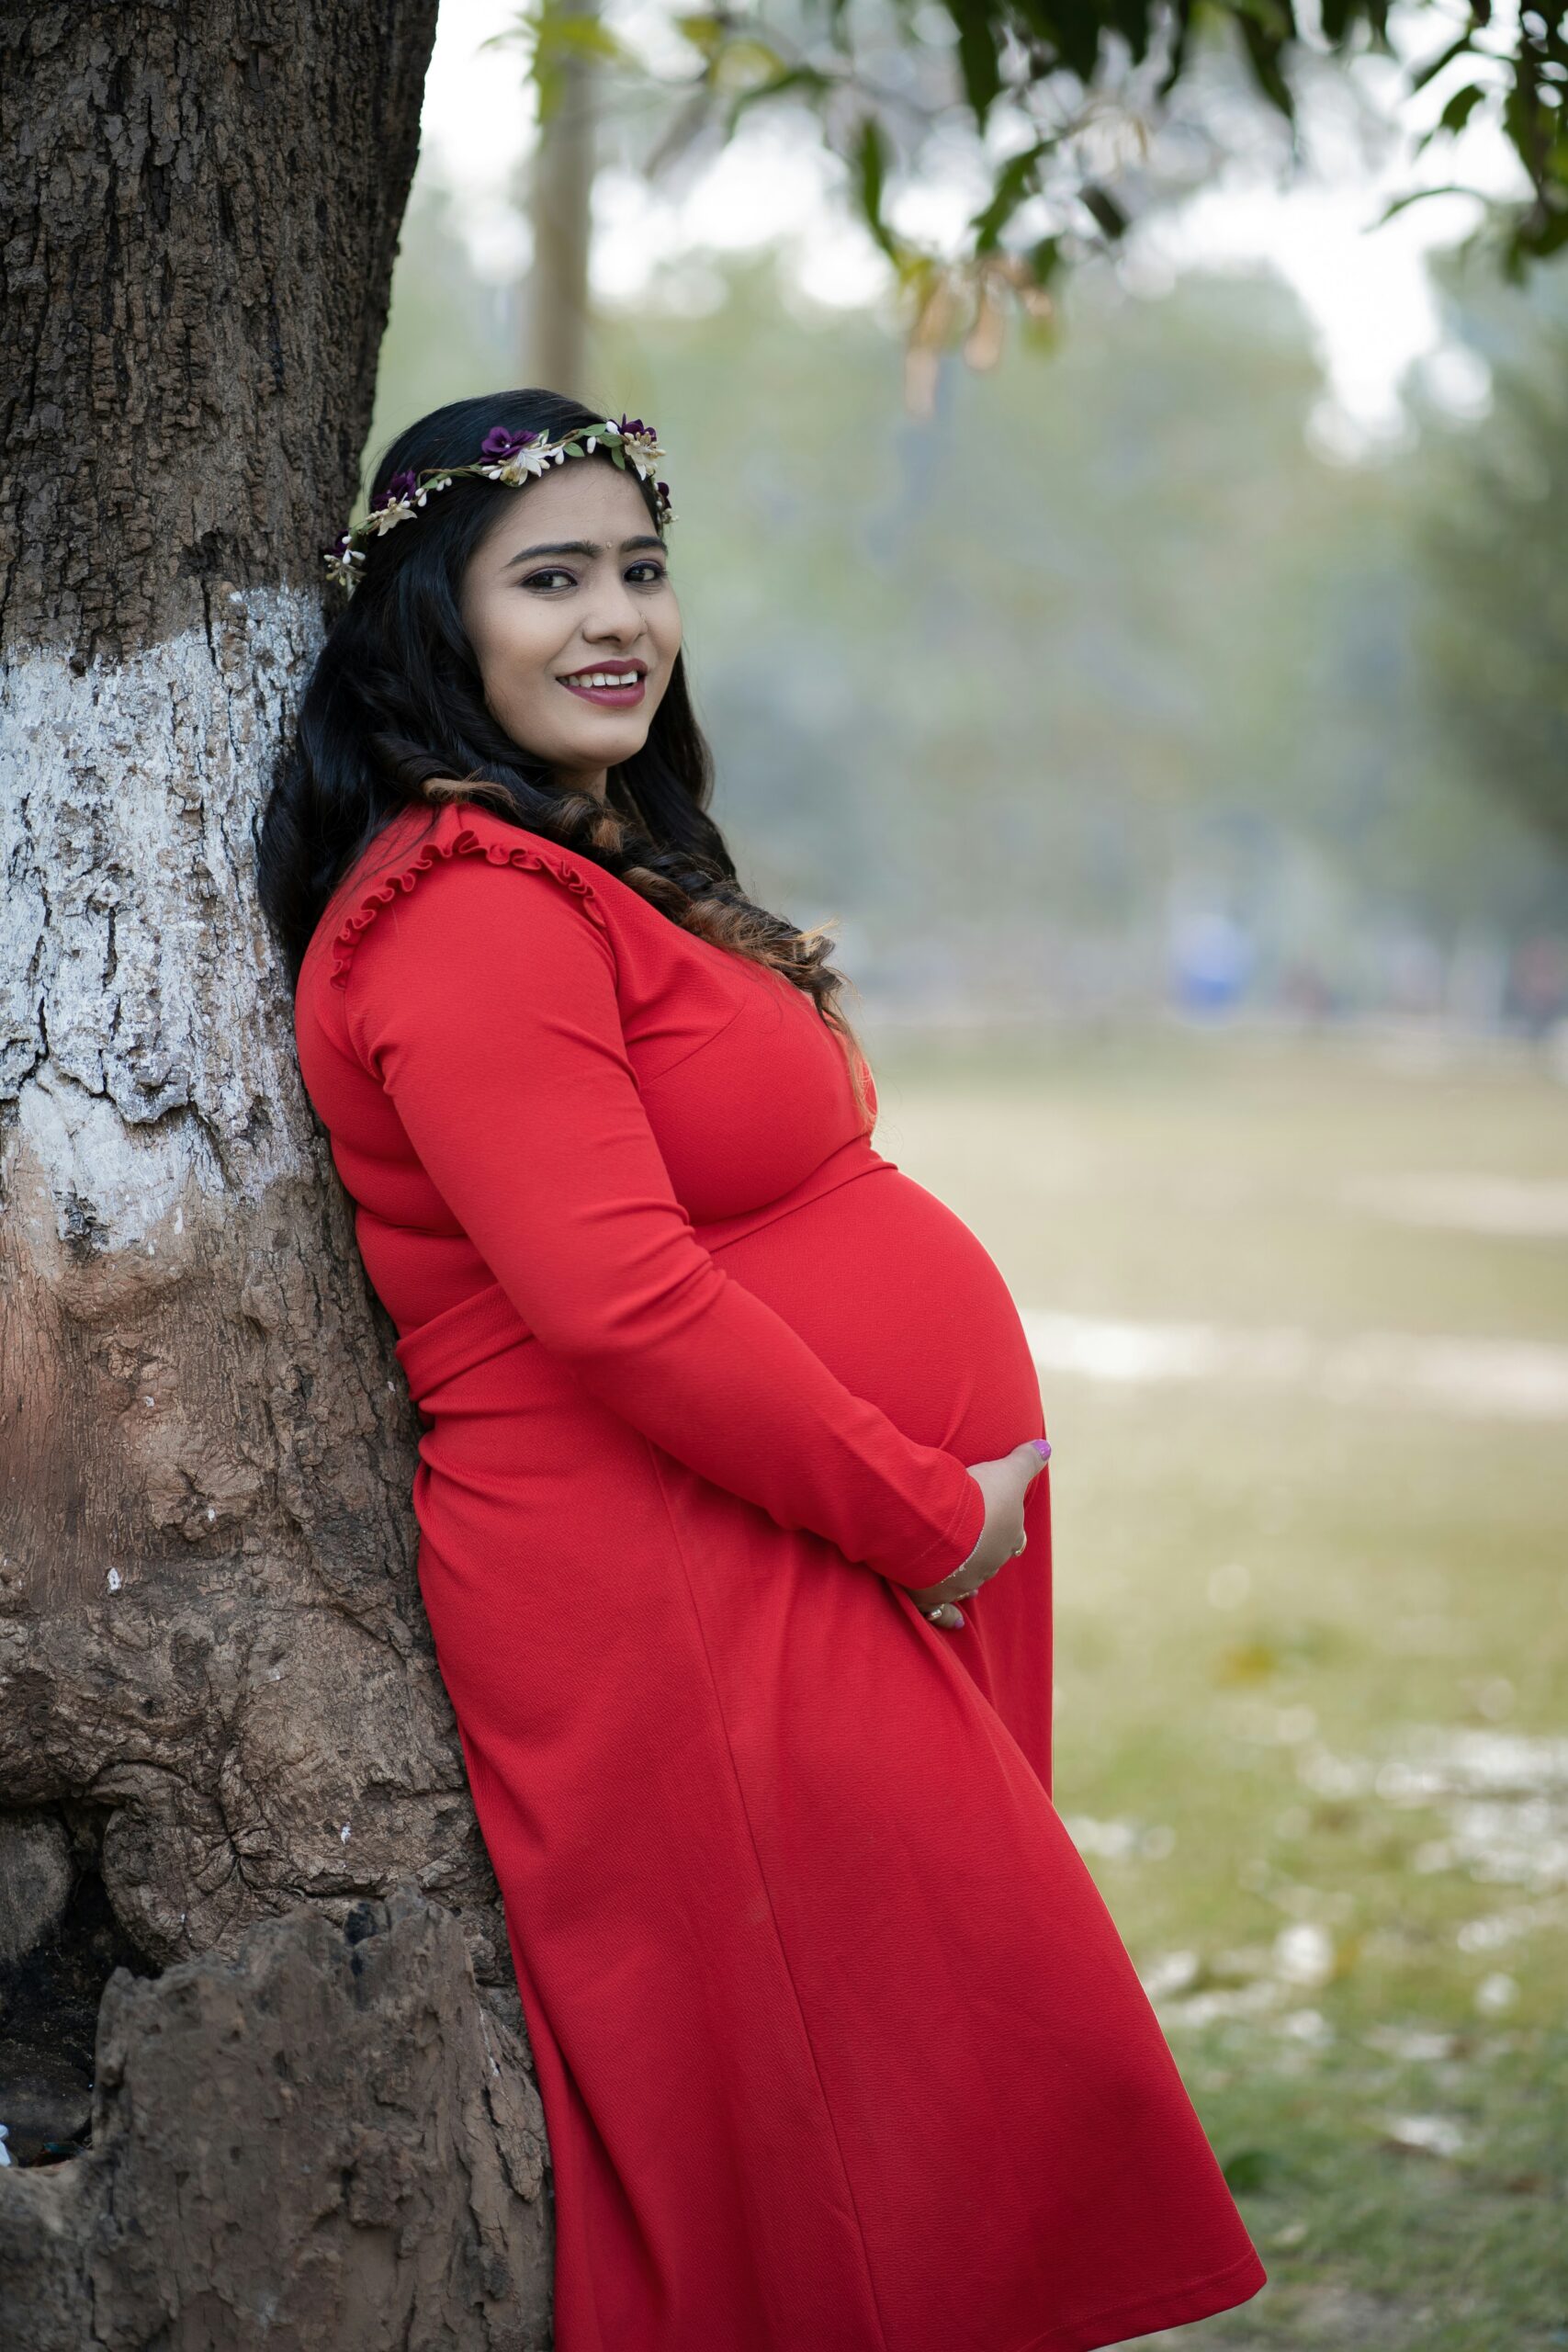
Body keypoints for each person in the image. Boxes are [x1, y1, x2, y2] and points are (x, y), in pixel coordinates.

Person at [257, 389, 1266, 2352]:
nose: (615, 618)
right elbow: (621, 1306)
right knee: (863, 2153)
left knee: (913, 2127)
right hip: (681, 1578)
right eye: (549, 579)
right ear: (432, 620)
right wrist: (925, 1513)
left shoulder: (575, 866)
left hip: (772, 1541)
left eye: (640, 569)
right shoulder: (462, 916)